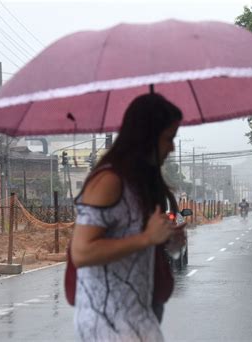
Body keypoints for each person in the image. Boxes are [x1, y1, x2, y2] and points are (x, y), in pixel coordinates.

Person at [71, 93, 186, 341]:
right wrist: (146, 238)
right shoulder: (107, 182)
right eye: (168, 138)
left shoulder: (140, 183)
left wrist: (170, 240)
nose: (172, 147)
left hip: (139, 316)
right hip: (108, 324)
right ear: (147, 137)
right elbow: (81, 253)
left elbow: (144, 241)